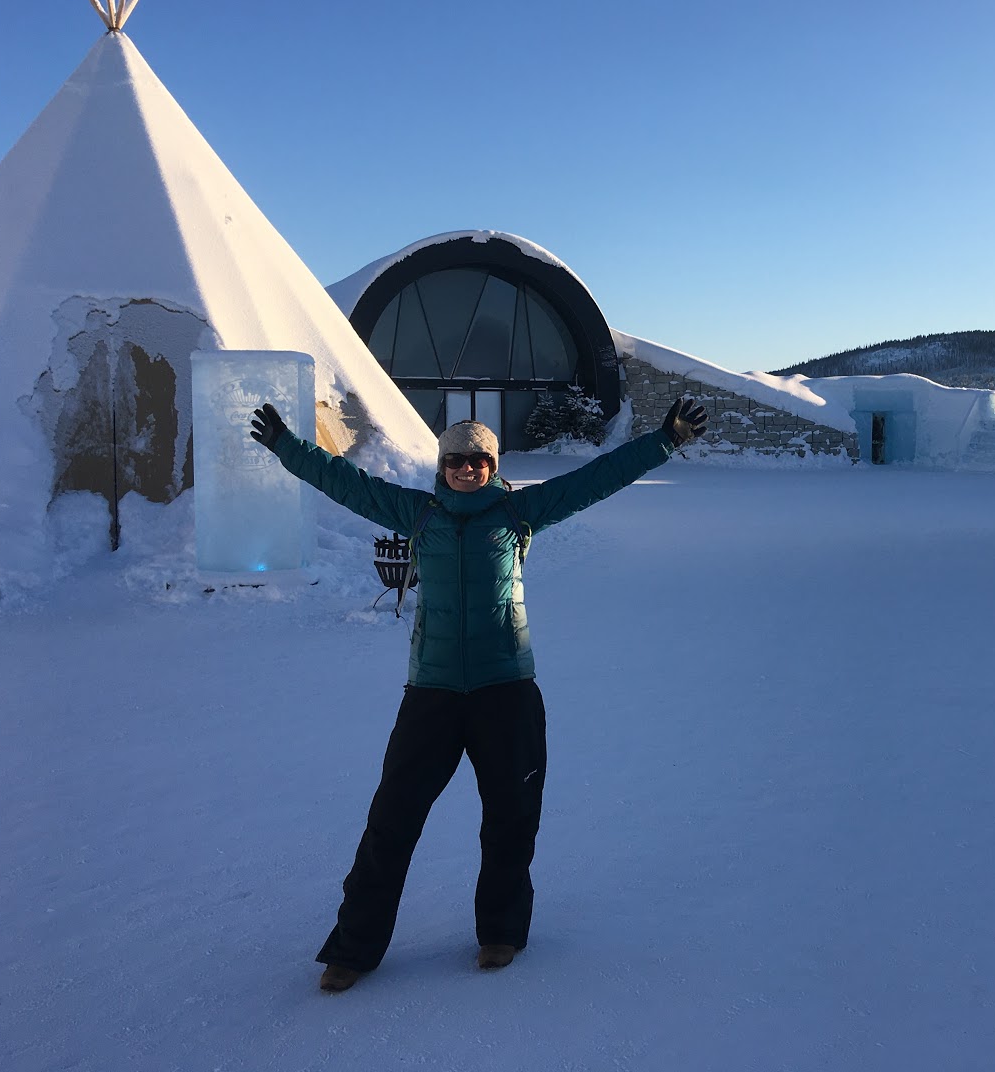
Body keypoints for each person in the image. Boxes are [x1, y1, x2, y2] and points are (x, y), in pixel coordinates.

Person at [248, 396, 709, 993]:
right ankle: (353, 949)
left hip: (506, 691)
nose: (467, 469)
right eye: (456, 460)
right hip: (431, 694)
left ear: (493, 467)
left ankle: (500, 933)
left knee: (511, 818)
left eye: (479, 461)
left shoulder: (518, 513)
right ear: (441, 466)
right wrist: (286, 446)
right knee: (391, 821)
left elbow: (596, 480)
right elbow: (343, 482)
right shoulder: (417, 512)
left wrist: (665, 440)